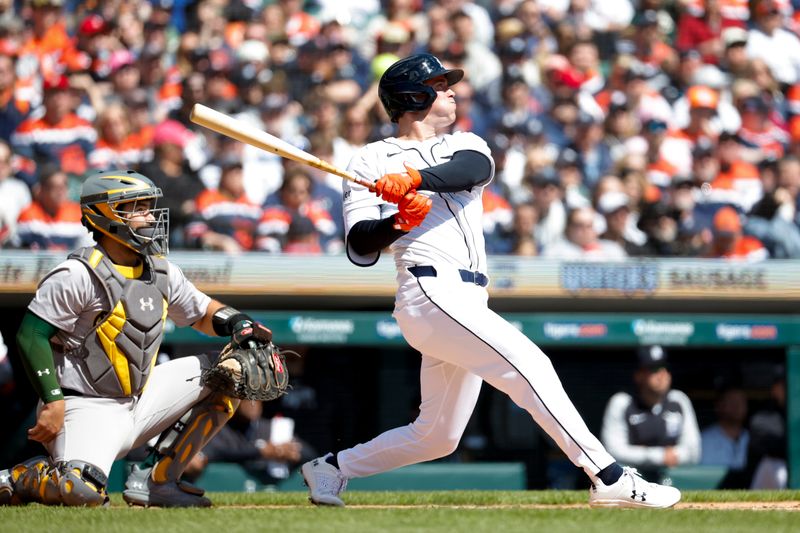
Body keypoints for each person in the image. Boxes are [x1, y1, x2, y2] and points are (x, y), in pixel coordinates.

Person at [300, 53, 681, 509]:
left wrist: (413, 180)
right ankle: (608, 476)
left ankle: (332, 468)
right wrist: (397, 223)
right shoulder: (369, 159)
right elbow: (361, 247)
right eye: (440, 85)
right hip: (427, 290)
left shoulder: (467, 143)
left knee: (437, 435)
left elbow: (471, 171)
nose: (452, 91)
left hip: (469, 297)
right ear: (411, 96)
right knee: (530, 363)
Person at [0, 169, 274, 508]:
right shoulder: (77, 273)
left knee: (236, 369)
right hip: (82, 404)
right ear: (105, 215)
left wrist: (239, 323)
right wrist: (52, 400)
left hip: (140, 398)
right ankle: (17, 478)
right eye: (137, 207)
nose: (149, 216)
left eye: (148, 206)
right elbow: (31, 335)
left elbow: (202, 312)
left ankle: (157, 481)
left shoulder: (161, 269)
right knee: (81, 490)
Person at [600, 346, 701, 482]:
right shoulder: (622, 402)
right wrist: (660, 456)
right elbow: (613, 451)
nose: (662, 374)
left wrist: (673, 454)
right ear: (638, 375)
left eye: (664, 368)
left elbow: (694, 451)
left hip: (673, 479)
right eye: (654, 369)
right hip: (631, 480)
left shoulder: (678, 400)